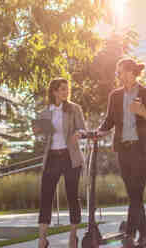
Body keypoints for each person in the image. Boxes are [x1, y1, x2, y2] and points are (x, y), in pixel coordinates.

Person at [98, 58, 146, 248]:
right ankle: (141, 235)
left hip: (141, 148)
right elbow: (109, 121)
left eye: (121, 71)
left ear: (132, 72)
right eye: (118, 72)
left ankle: (132, 233)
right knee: (134, 194)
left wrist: (144, 113)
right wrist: (95, 133)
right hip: (122, 148)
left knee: (136, 191)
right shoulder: (115, 96)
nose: (118, 75)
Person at [34, 78, 86, 248]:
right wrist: (38, 130)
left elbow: (82, 128)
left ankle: (73, 236)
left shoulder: (74, 109)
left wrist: (78, 134)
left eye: (67, 89)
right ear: (54, 91)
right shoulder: (45, 112)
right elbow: (40, 135)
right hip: (52, 158)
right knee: (46, 196)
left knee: (72, 196)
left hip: (70, 156)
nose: (66, 92)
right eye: (62, 89)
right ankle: (42, 238)